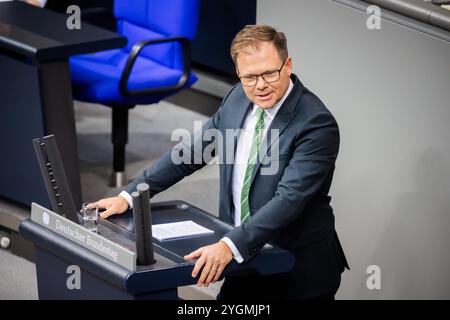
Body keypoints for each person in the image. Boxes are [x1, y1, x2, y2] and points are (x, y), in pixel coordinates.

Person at [93, 24, 349, 300]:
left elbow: (289, 200)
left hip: (296, 271)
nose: (260, 85)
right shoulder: (237, 98)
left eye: (269, 73)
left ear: (287, 65)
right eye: (249, 77)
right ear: (238, 74)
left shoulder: (315, 124)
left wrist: (229, 246)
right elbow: (188, 155)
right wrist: (129, 195)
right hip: (244, 258)